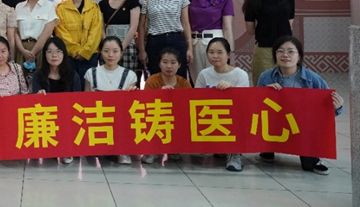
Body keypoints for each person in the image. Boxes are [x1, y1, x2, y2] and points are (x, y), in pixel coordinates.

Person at [257, 36, 343, 175]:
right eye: (280, 51)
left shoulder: (313, 79)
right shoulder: (266, 77)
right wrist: (265, 93)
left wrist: (338, 106)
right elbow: (256, 107)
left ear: (299, 57)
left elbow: (327, 110)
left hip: (302, 125)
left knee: (308, 165)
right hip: (276, 121)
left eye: (290, 51)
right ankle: (268, 149)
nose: (285, 55)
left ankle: (312, 158)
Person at [195, 37, 249, 172]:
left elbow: (244, 103)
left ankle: (235, 154)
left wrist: (231, 90)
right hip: (210, 115)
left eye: (220, 52)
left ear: (228, 54)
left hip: (232, 116)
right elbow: (195, 99)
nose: (215, 56)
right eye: (211, 52)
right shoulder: (204, 74)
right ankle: (216, 147)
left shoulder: (240, 74)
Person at [84, 37, 138, 164]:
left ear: (121, 53)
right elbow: (86, 101)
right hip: (98, 119)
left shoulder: (130, 75)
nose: (110, 55)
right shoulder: (91, 73)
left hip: (120, 119)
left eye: (115, 51)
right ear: (101, 52)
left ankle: (123, 150)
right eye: (106, 51)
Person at [137, 0, 192, 80]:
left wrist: (190, 49)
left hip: (176, 40)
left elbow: (186, 23)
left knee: (179, 78)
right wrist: (142, 50)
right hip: (155, 41)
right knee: (156, 78)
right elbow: (141, 26)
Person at [243, 0, 295, 86]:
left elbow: (289, 23)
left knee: (288, 85)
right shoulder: (252, 3)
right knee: (263, 86)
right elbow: (250, 30)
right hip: (264, 50)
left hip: (286, 49)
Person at [31, 37, 79, 165]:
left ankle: (66, 149)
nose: (54, 55)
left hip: (66, 118)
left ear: (64, 54)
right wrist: (38, 96)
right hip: (46, 118)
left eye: (58, 51)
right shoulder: (38, 75)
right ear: (44, 54)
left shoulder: (72, 75)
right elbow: (32, 102)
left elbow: (78, 103)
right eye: (50, 51)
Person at [140, 47, 190, 165]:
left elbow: (188, 106)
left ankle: (174, 147)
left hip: (175, 118)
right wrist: (160, 95)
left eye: (173, 63)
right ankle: (151, 150)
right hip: (156, 117)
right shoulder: (152, 81)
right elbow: (145, 104)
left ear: (179, 65)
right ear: (159, 64)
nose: (169, 66)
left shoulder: (184, 83)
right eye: (165, 62)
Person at [187, 0, 234, 80]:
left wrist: (230, 51)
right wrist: (188, 47)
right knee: (197, 81)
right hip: (194, 43)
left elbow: (227, 27)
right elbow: (185, 24)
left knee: (216, 79)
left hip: (216, 41)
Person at [54, 0, 104, 85]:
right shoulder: (61, 8)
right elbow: (61, 33)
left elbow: (96, 32)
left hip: (90, 55)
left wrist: (85, 52)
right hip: (68, 56)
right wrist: (76, 51)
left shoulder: (93, 7)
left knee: (88, 87)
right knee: (70, 86)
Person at [99, 0, 141, 81]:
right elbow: (101, 28)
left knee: (127, 81)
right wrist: (106, 47)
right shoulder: (102, 4)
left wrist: (120, 48)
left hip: (127, 48)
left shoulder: (132, 2)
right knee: (107, 80)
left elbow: (133, 28)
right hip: (107, 50)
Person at [14, 0, 58, 73]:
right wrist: (22, 51)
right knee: (21, 79)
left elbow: (47, 32)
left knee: (41, 78)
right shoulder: (19, 7)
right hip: (22, 49)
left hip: (42, 48)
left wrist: (32, 53)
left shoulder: (49, 6)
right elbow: (15, 32)